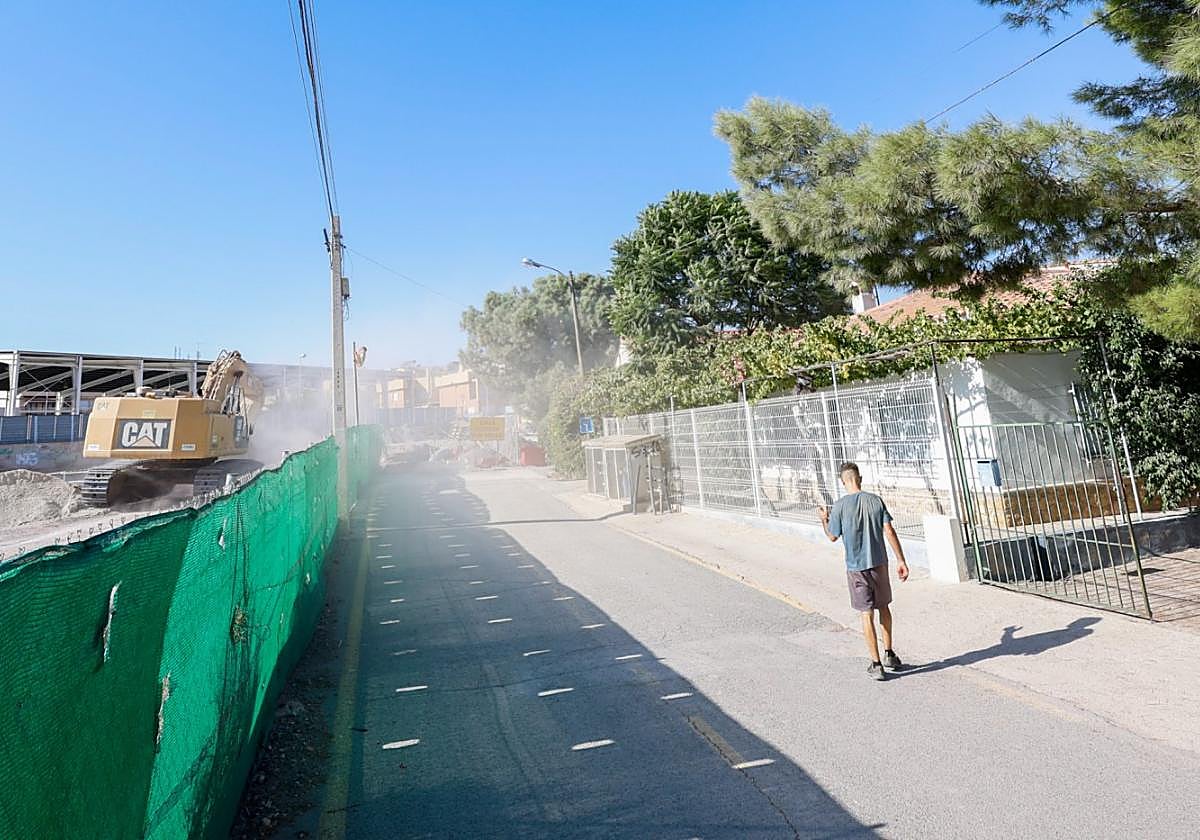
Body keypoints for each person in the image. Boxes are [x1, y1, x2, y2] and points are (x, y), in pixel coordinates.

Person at [819, 462, 909, 681]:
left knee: (866, 613)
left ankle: (876, 663)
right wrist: (901, 560)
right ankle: (889, 653)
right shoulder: (875, 500)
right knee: (884, 608)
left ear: (843, 482)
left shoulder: (839, 506)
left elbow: (832, 536)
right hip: (878, 563)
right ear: (860, 477)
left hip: (856, 568)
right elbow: (888, 530)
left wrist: (824, 519)